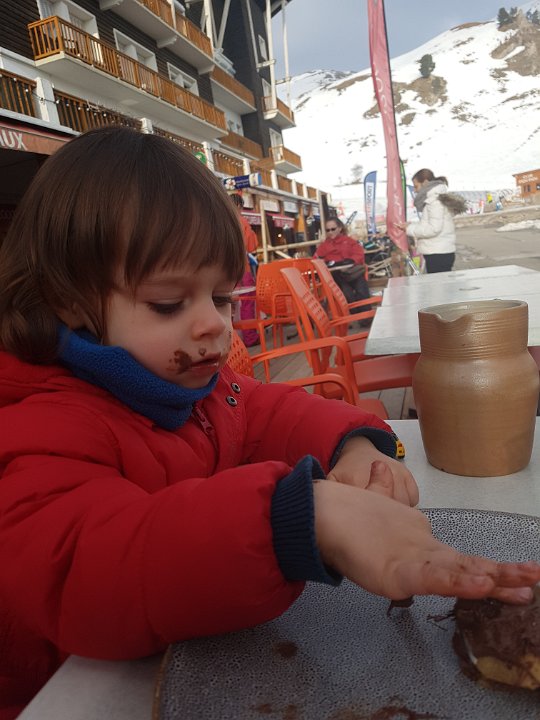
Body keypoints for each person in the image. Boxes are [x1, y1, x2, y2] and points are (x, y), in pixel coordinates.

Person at [0, 128, 538, 719]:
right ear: (68, 301)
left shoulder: (195, 389)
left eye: (221, 298)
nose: (213, 325)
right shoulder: (37, 426)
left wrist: (354, 446)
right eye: (168, 304)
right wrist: (297, 520)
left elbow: (265, 409)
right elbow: (86, 569)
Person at [395, 169, 467, 274]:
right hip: (439, 252)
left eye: (416, 186)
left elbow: (433, 229)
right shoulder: (436, 199)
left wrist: (409, 229)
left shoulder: (434, 202)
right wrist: (411, 225)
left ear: (425, 182)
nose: (415, 190)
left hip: (438, 254)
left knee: (438, 284)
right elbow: (430, 224)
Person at [314, 216, 372, 311]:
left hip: (351, 272)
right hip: (336, 276)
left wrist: (351, 261)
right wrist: (325, 263)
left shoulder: (349, 241)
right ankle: (358, 313)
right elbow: (316, 259)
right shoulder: (324, 246)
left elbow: (359, 254)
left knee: (361, 288)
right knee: (346, 292)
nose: (330, 232)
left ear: (340, 228)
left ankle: (365, 314)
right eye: (328, 230)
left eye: (333, 229)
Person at [230, 193, 259, 347]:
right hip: (242, 268)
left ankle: (231, 342)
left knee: (227, 305)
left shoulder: (218, 221)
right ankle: (250, 337)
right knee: (247, 301)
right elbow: (251, 246)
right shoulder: (241, 222)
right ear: (239, 206)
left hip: (225, 271)